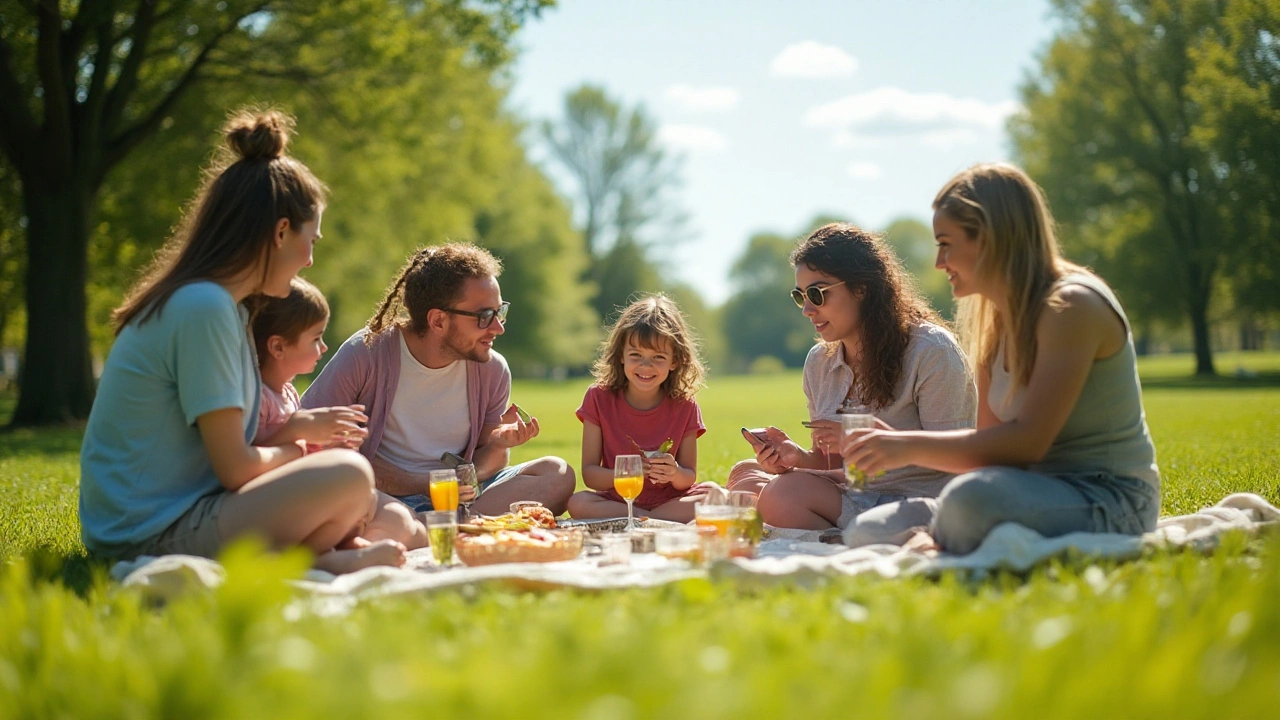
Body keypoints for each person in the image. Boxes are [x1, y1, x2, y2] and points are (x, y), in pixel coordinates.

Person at [79, 109, 407, 574]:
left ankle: (318, 560)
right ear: (279, 233)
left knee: (358, 492)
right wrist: (298, 452)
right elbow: (236, 468)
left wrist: (298, 434)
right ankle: (315, 563)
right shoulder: (203, 308)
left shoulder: (222, 309)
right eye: (310, 240)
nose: (310, 260)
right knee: (349, 476)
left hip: (164, 518)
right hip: (147, 534)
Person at [841, 163, 1160, 554]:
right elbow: (988, 450)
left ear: (990, 239)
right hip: (1026, 491)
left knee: (968, 502)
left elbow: (1028, 444)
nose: (940, 262)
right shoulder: (994, 322)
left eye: (946, 243)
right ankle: (950, 536)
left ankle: (948, 537)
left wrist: (907, 446)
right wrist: (895, 445)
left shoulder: (1071, 306)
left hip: (1109, 497)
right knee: (866, 530)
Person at [727, 223, 976, 545]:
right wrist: (797, 457)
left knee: (778, 495)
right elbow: (832, 461)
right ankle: (839, 534)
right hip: (855, 493)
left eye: (817, 293)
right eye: (799, 296)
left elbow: (960, 459)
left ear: (862, 288)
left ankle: (857, 536)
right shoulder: (820, 362)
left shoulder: (930, 351)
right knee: (744, 475)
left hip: (921, 500)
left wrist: (875, 441)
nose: (807, 309)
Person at [301, 243, 576, 516]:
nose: (498, 328)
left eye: (499, 311)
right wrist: (430, 484)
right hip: (385, 497)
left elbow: (482, 464)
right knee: (351, 499)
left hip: (460, 499)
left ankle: (439, 525)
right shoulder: (366, 352)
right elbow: (311, 443)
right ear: (438, 321)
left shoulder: (492, 369)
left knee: (558, 473)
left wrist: (497, 446)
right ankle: (450, 525)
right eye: (484, 317)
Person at [249, 277, 427, 548]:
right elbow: (254, 455)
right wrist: (299, 430)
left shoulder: (287, 392)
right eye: (316, 338)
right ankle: (331, 554)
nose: (324, 348)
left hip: (311, 493)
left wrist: (331, 444)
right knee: (390, 519)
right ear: (278, 347)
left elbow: (301, 450)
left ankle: (356, 544)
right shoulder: (257, 397)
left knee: (408, 522)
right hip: (287, 504)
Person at [567, 295, 708, 522]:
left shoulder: (685, 405)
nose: (645, 366)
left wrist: (674, 473)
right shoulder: (598, 397)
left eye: (658, 357)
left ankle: (639, 520)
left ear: (675, 361)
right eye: (636, 355)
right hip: (617, 501)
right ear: (620, 355)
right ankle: (651, 520)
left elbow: (689, 476)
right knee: (578, 503)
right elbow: (590, 475)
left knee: (716, 495)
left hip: (672, 500)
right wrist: (624, 474)